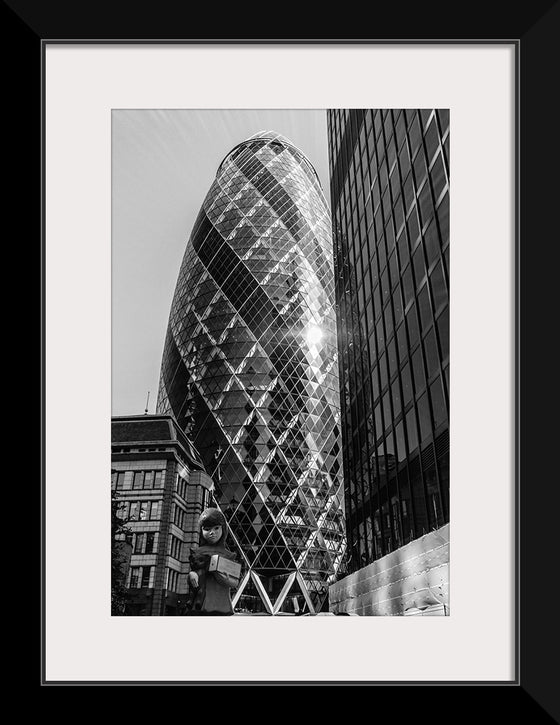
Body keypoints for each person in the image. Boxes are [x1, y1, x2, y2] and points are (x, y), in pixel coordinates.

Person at [186, 507, 238, 616]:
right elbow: (194, 571)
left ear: (223, 529)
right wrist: (191, 575)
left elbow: (234, 582)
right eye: (207, 529)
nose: (212, 533)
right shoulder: (197, 551)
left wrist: (217, 571)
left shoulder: (228, 555)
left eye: (216, 528)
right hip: (198, 605)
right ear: (201, 530)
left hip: (221, 605)